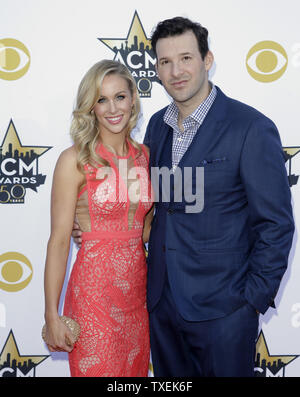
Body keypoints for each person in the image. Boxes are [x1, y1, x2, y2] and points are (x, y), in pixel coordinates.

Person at [72, 17, 294, 377]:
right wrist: (98, 229)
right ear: (156, 70)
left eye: (186, 58)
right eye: (165, 62)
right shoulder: (155, 127)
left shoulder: (250, 128)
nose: (176, 71)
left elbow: (276, 224)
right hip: (160, 306)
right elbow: (151, 208)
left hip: (225, 310)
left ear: (207, 60)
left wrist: (249, 301)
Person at [44, 60, 153, 377]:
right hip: (93, 297)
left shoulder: (145, 156)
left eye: (119, 96)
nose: (112, 108)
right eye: (101, 99)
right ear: (90, 107)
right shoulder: (74, 160)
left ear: (133, 98)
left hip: (137, 296)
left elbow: (145, 229)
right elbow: (60, 240)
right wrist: (52, 314)